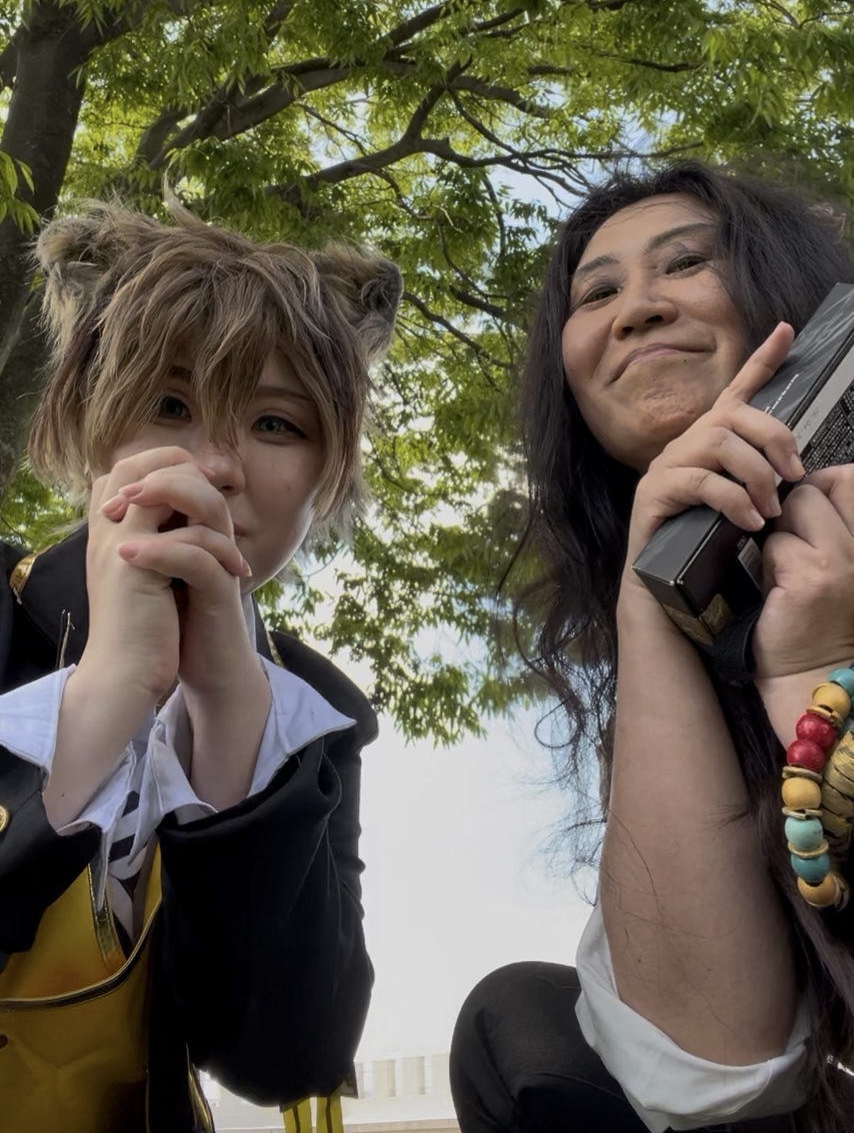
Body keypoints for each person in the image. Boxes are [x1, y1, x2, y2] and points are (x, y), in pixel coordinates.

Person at [450, 160, 854, 1133]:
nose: (635, 309)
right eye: (597, 294)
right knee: (518, 1023)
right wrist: (650, 598)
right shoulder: (683, 646)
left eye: (685, 264)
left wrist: (818, 673)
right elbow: (710, 1058)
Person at [0, 196, 402, 1133]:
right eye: (171, 405)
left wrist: (232, 720)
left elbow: (285, 1057)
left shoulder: (316, 719)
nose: (219, 463)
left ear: (326, 476)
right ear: (93, 426)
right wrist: (104, 695)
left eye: (276, 424)